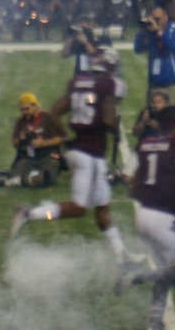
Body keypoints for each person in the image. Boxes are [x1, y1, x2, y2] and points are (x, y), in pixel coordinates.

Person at [10, 47, 140, 267]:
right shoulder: (109, 85)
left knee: (102, 208)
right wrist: (112, 126)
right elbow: (108, 120)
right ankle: (29, 213)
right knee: (80, 207)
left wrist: (65, 134)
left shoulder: (78, 82)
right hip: (90, 154)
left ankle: (122, 257)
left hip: (78, 150)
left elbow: (53, 112)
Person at [117, 106, 175, 330]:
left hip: (143, 214)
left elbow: (132, 185)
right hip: (163, 218)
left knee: (167, 272)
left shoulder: (146, 144)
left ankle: (154, 328)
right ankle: (135, 277)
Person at [0, 92, 64, 188]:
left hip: (48, 156)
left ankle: (18, 181)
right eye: (22, 110)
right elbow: (14, 142)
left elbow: (61, 138)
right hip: (29, 158)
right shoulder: (21, 122)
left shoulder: (48, 117)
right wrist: (21, 140)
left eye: (27, 109)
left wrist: (43, 143)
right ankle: (21, 179)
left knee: (48, 178)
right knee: (17, 171)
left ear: (35, 106)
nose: (24, 112)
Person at [134, 6, 175, 108]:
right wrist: (142, 31)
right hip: (155, 81)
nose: (156, 22)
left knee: (172, 113)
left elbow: (173, 45)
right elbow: (138, 49)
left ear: (166, 17)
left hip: (173, 82)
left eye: (158, 19)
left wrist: (159, 32)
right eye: (154, 19)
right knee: (153, 113)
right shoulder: (149, 32)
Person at [121, 91, 171, 185]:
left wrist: (157, 126)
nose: (155, 105)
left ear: (166, 104)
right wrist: (143, 122)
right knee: (126, 179)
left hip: (162, 151)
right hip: (143, 149)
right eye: (154, 103)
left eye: (159, 103)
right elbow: (135, 133)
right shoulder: (146, 112)